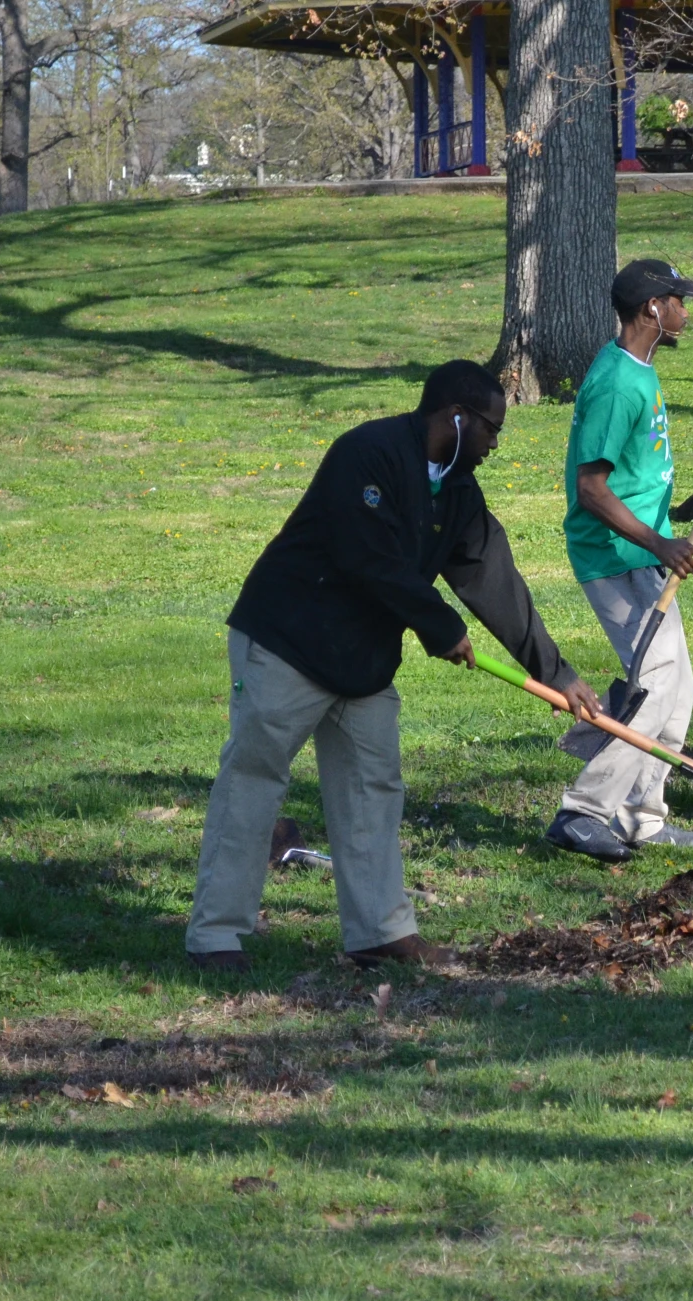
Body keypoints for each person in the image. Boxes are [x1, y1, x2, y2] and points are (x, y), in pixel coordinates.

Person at [185, 360, 598, 974]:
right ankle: (216, 936)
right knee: (255, 780)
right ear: (457, 418)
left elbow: (492, 576)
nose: (492, 445)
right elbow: (367, 557)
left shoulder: (457, 490)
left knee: (371, 790)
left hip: (364, 661)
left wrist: (554, 670)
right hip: (289, 642)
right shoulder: (367, 454)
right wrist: (441, 628)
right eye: (491, 430)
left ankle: (378, 932)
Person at [545, 258, 693, 865]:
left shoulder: (639, 370)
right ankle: (584, 811)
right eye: (677, 300)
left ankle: (641, 815)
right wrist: (658, 544)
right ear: (652, 309)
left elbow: (637, 473)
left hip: (641, 550)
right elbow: (591, 489)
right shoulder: (619, 383)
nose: (684, 311)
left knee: (678, 689)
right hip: (613, 555)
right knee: (654, 684)